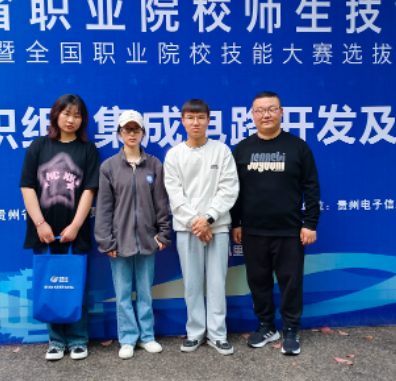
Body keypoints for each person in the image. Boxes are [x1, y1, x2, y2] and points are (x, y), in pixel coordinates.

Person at [231, 91, 321, 356]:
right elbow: (234, 190)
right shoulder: (242, 149)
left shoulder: (298, 147)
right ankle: (266, 326)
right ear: (252, 115)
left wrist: (310, 223)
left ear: (281, 112)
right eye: (260, 110)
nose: (266, 115)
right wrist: (236, 223)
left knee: (290, 283)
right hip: (253, 231)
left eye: (271, 109)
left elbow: (311, 187)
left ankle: (291, 329)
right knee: (258, 281)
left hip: (289, 231)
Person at [20, 94, 100, 361]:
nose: (71, 120)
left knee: (75, 285)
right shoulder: (39, 146)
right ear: (55, 115)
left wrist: (76, 225)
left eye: (77, 115)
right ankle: (55, 341)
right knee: (50, 284)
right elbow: (27, 186)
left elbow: (89, 190)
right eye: (66, 114)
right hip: (43, 230)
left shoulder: (88, 150)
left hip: (75, 231)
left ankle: (78, 339)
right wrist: (40, 223)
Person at [163, 99, 239, 356]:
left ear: (208, 120)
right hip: (187, 229)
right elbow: (175, 195)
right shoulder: (174, 154)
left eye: (200, 117)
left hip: (217, 226)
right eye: (190, 117)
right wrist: (198, 222)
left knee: (217, 282)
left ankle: (218, 334)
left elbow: (229, 188)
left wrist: (209, 218)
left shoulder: (222, 151)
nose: (195, 122)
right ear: (182, 121)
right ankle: (195, 332)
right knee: (192, 283)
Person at [94, 110, 171, 360]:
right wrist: (106, 240)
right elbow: (104, 208)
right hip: (119, 241)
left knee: (146, 292)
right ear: (119, 133)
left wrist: (163, 233)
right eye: (127, 129)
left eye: (136, 129)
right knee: (123, 293)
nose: (131, 134)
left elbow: (161, 203)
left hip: (148, 240)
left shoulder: (154, 165)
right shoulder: (109, 167)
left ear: (143, 133)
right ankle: (127, 338)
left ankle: (147, 336)